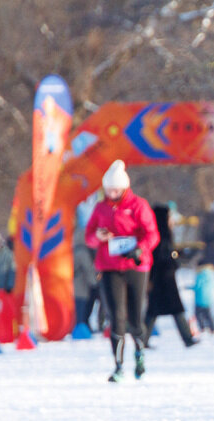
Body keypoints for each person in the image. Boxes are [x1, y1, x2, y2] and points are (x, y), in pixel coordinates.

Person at [85, 160, 160, 382]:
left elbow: (152, 234)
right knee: (115, 316)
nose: (112, 193)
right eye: (108, 189)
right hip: (108, 267)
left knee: (135, 315)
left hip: (135, 266)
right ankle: (118, 365)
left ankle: (139, 354)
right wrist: (98, 237)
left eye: (115, 189)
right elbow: (88, 236)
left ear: (124, 188)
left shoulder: (138, 205)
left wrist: (139, 248)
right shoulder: (100, 208)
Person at [143, 204, 199, 349]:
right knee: (172, 310)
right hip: (163, 280)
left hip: (161, 280)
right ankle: (187, 338)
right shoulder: (160, 237)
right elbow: (162, 259)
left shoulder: (162, 235)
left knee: (156, 312)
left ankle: (143, 340)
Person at [193, 260, 214, 334]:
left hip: (200, 299)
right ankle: (212, 328)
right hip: (208, 298)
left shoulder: (200, 275)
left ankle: (202, 327)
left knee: (198, 314)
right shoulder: (210, 274)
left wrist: (189, 287)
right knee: (207, 314)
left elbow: (197, 286)